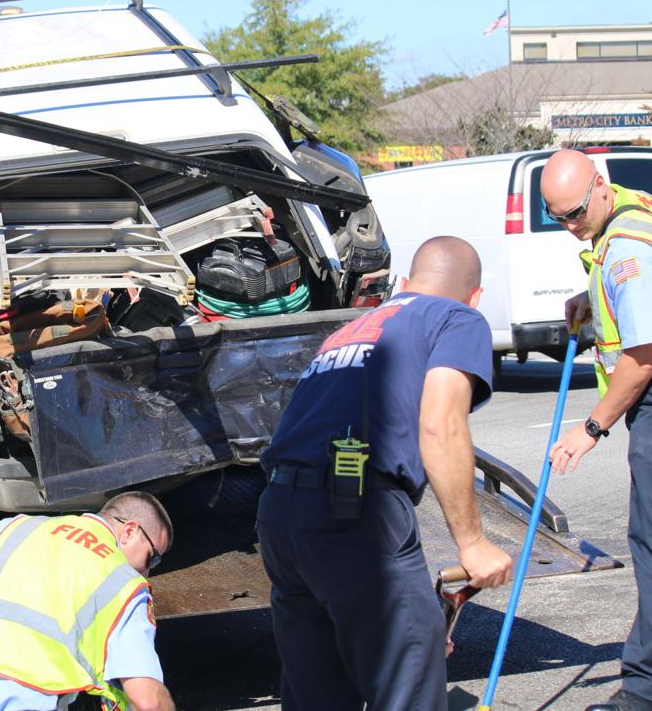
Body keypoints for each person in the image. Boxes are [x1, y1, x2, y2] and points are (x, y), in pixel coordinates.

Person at [257, 235, 514, 710]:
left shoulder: (354, 328)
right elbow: (440, 425)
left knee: (317, 694)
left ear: (405, 282)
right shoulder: (456, 317)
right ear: (475, 296)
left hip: (282, 514)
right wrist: (473, 543)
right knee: (406, 688)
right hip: (356, 514)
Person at [541, 150, 652, 711]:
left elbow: (643, 357)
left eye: (576, 213)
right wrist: (595, 296)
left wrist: (591, 427)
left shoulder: (627, 248)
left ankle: (642, 692)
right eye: (557, 216)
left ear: (601, 187)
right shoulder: (631, 214)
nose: (569, 226)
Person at [0, 491, 176, 711]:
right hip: (22, 703)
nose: (147, 572)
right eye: (152, 558)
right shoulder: (127, 586)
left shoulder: (16, 526)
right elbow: (149, 701)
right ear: (129, 531)